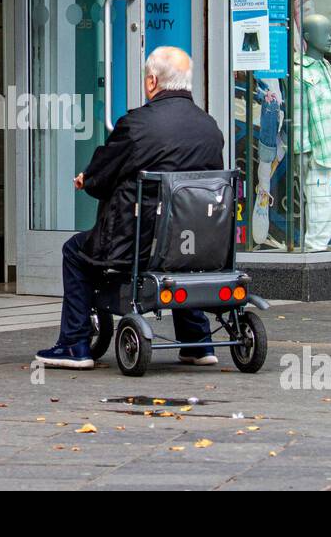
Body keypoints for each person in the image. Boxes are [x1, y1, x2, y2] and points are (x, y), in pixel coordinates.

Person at [35, 46, 224, 370]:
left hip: (139, 245)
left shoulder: (138, 125)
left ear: (152, 81)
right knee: (179, 245)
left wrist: (88, 179)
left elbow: (102, 176)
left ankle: (75, 344)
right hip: (198, 243)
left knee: (75, 252)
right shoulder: (210, 127)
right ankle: (197, 342)